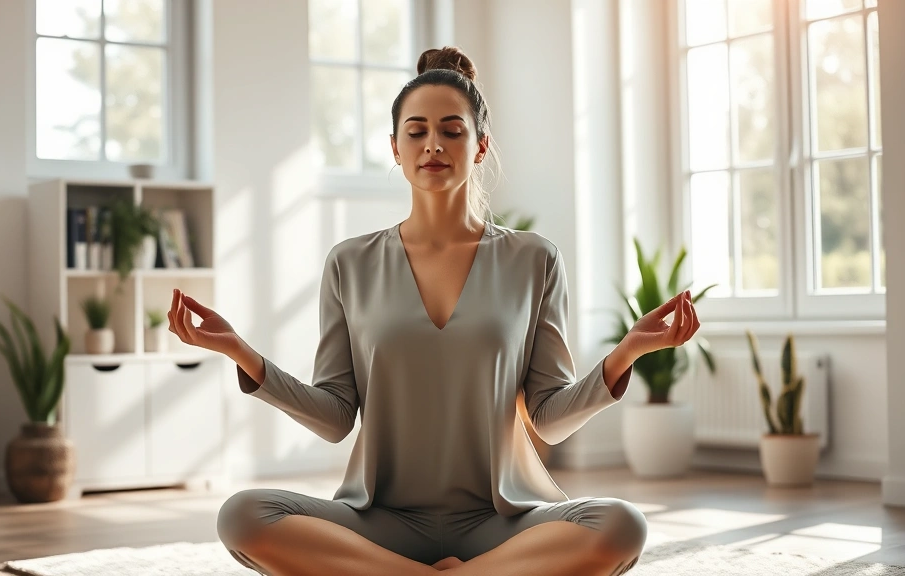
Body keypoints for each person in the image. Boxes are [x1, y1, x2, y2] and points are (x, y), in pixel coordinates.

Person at [166, 46, 701, 576]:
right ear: (395, 149)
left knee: (621, 526)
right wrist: (239, 351)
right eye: (416, 131)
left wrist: (629, 351)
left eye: (452, 130)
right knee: (244, 516)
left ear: (481, 146)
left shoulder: (534, 259)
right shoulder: (350, 262)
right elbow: (334, 417)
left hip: (500, 521)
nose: (433, 146)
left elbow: (548, 419)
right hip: (381, 521)